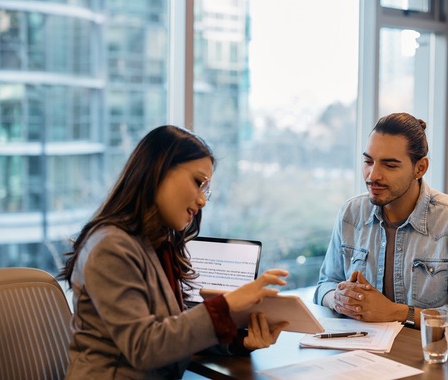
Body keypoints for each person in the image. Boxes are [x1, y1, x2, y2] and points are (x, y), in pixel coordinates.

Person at [61, 125, 289, 379]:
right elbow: (145, 346)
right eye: (198, 182)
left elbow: (173, 332)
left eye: (206, 190)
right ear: (159, 170)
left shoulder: (157, 244)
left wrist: (239, 342)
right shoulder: (110, 246)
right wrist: (226, 306)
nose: (203, 201)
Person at [313, 112, 448, 343]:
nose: (373, 175)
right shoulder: (351, 213)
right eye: (368, 161)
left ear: (420, 168)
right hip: (361, 352)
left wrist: (396, 312)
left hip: (427, 357)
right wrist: (337, 298)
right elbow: (324, 285)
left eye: (389, 165)